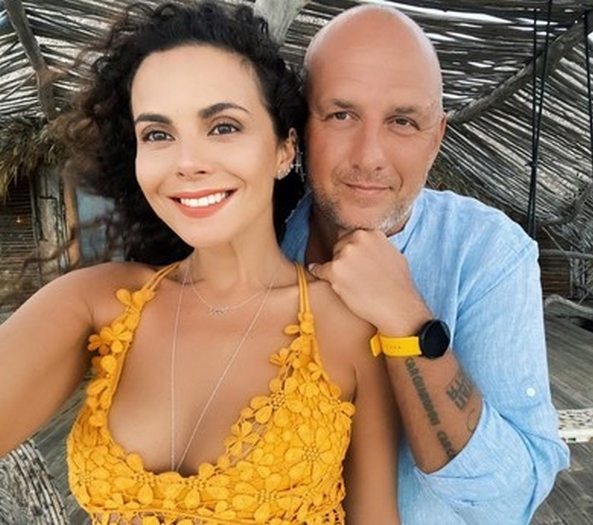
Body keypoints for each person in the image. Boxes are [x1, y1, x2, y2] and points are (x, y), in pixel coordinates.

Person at [0, 2, 400, 524]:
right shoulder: (98, 304)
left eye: (223, 127)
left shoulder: (348, 326)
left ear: (284, 150)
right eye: (158, 135)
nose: (187, 162)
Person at [281, 5, 571, 524]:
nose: (369, 156)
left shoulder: (489, 253)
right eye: (341, 115)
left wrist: (408, 323)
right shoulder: (259, 244)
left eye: (402, 122)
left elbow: (508, 504)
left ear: (435, 138)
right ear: (301, 127)